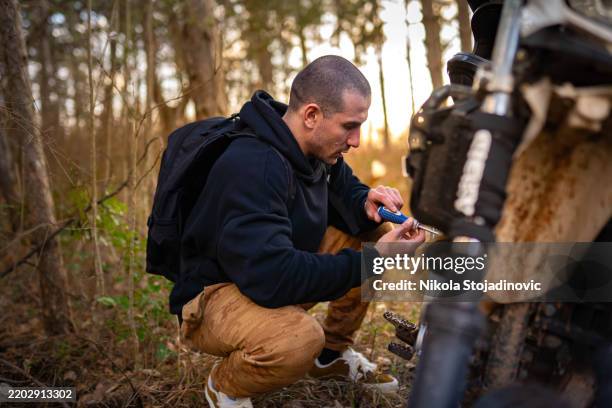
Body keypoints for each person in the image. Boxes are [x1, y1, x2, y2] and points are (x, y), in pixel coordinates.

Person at [172, 55, 425, 407]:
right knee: (299, 339)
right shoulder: (253, 166)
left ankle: (331, 357)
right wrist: (375, 261)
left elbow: (344, 189)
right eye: (349, 126)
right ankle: (225, 386)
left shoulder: (315, 150)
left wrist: (364, 200)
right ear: (311, 115)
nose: (356, 141)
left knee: (371, 229)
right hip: (214, 293)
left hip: (266, 272)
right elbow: (274, 278)